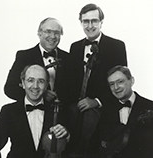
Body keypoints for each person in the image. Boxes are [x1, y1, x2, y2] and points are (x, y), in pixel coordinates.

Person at [66, 3, 127, 157]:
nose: (90, 25)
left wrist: (97, 101)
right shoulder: (75, 47)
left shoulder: (117, 46)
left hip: (102, 110)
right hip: (75, 110)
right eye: (86, 21)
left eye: (94, 21)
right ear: (81, 22)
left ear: (101, 22)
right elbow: (71, 81)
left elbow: (120, 83)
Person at [0, 64, 69, 158]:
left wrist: (66, 135)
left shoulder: (57, 111)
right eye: (30, 80)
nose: (35, 86)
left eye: (41, 81)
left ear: (47, 85)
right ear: (23, 83)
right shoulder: (8, 111)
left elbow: (71, 147)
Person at [4, 17, 69, 104]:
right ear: (39, 33)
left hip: (62, 115)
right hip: (33, 113)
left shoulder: (68, 58)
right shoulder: (24, 56)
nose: (53, 36)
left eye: (57, 33)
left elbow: (74, 89)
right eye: (48, 31)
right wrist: (39, 94)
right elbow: (10, 88)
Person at [100, 65, 153, 158]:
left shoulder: (150, 106)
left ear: (131, 81)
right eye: (111, 84)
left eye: (120, 82)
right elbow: (97, 141)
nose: (116, 87)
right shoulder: (106, 110)